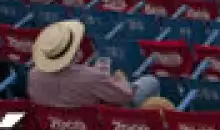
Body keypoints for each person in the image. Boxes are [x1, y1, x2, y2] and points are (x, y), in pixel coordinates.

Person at [27, 19, 160, 107]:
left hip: (58, 125)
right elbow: (125, 96)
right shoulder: (91, 77)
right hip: (97, 126)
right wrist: (118, 78)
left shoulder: (33, 75)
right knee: (150, 82)